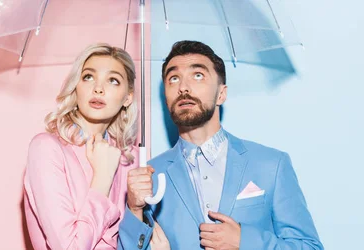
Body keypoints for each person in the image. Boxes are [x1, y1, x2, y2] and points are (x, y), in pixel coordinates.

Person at [118, 41, 323, 250]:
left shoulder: (271, 165)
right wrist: (135, 209)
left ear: (221, 94)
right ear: (166, 96)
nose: (183, 87)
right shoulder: (149, 176)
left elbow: (310, 247)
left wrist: (244, 243)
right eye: (173, 78)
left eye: (198, 75)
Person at [23, 43, 140, 249]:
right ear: (76, 87)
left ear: (127, 98)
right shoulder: (47, 149)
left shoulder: (129, 158)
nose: (98, 88)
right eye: (88, 77)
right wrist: (102, 178)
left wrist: (138, 210)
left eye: (113, 80)